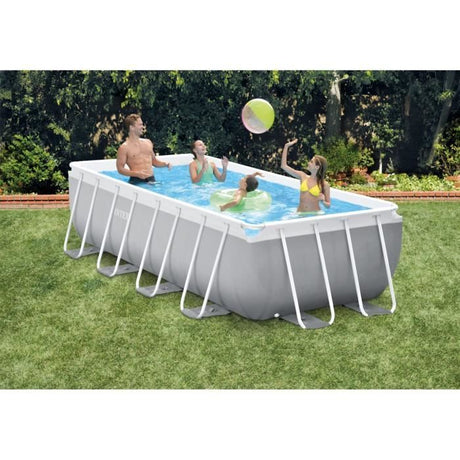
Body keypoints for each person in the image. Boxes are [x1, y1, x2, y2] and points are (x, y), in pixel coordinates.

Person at [116, 114, 171, 184]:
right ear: (131, 127)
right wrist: (137, 174)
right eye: (140, 125)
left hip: (151, 180)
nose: (143, 127)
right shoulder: (124, 148)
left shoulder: (148, 142)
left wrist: (165, 164)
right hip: (136, 181)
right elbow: (120, 169)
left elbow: (154, 162)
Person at [281, 138, 331, 213]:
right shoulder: (302, 176)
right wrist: (286, 146)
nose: (308, 163)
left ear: (317, 167)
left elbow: (328, 206)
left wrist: (323, 201)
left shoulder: (324, 184)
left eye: (311, 162)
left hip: (314, 215)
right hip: (300, 213)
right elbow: (284, 166)